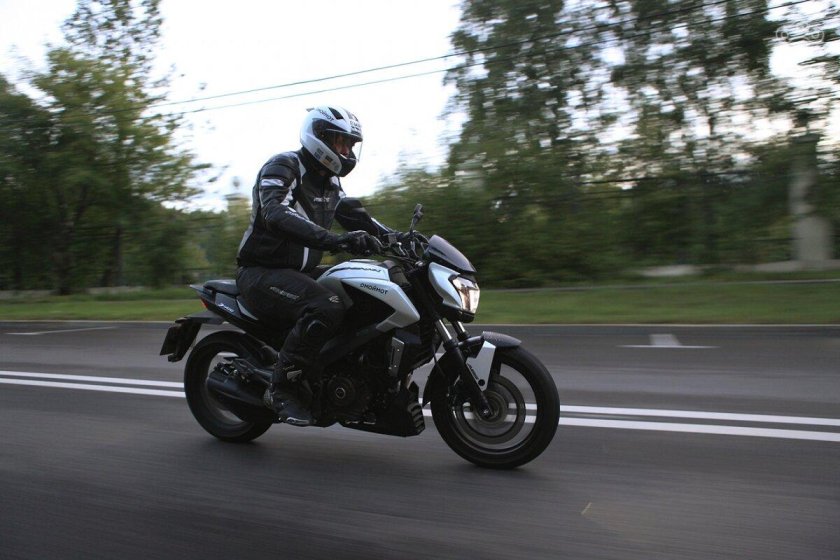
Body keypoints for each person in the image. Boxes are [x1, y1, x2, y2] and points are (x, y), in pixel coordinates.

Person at [236, 105, 394, 427]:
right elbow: (276, 212)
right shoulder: (284, 166)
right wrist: (336, 240)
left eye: (350, 145)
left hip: (299, 273)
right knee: (327, 304)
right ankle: (283, 387)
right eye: (341, 143)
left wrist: (400, 238)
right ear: (318, 137)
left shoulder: (331, 184)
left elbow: (359, 219)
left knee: (369, 290)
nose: (346, 151)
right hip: (261, 273)